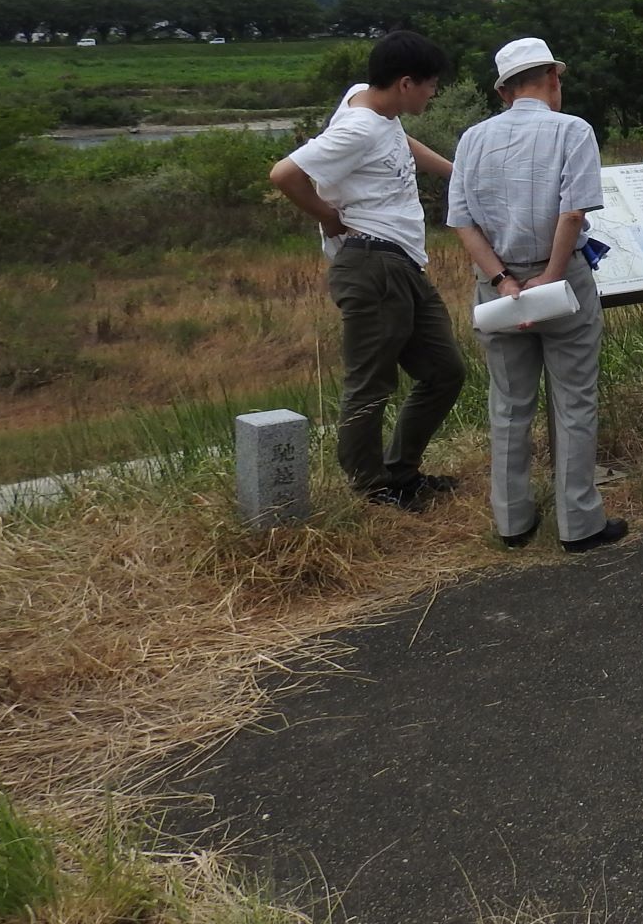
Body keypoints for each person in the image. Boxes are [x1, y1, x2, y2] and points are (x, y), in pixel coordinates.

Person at [267, 29, 465, 511]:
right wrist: (329, 217)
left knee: (445, 372)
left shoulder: (369, 103)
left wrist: (459, 172)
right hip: (372, 262)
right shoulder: (357, 127)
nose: (433, 93)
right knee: (371, 382)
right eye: (429, 84)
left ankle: (401, 473)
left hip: (402, 262)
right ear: (404, 83)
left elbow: (402, 141)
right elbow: (284, 174)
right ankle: (372, 488)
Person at [447, 37, 624, 553]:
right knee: (574, 402)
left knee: (508, 403)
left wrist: (504, 281)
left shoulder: (472, 139)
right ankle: (579, 522)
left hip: (496, 287)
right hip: (561, 280)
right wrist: (549, 274)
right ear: (552, 79)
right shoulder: (573, 130)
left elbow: (462, 221)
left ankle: (513, 521)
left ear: (503, 91)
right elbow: (573, 213)